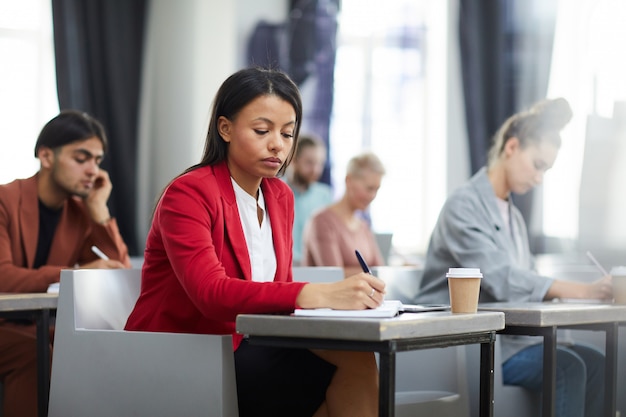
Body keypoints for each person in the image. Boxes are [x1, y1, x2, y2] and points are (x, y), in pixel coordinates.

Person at [124, 67, 384, 417]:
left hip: (248, 343)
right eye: (262, 130)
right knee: (340, 370)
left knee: (355, 357)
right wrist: (320, 294)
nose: (277, 143)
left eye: (288, 134)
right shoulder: (188, 193)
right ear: (225, 129)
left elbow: (278, 292)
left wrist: (338, 304)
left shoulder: (280, 196)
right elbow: (211, 293)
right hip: (187, 349)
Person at [416, 98, 613, 417]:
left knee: (596, 362)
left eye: (546, 170)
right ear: (512, 147)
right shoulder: (463, 205)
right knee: (567, 366)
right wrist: (584, 291)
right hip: (460, 346)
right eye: (538, 165)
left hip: (508, 341)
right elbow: (501, 276)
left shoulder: (514, 219)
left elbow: (527, 286)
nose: (539, 179)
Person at [0, 110, 131, 417]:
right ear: (46, 156)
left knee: (99, 348)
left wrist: (99, 210)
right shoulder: (5, 200)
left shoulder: (81, 212)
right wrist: (76, 274)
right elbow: (2, 277)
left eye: (97, 160)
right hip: (9, 326)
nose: (92, 170)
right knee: (34, 353)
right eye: (81, 158)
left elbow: (118, 273)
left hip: (37, 325)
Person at [301, 151, 385, 277]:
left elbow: (380, 270)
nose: (372, 196)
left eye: (376, 190)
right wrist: (371, 274)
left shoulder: (363, 226)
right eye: (369, 188)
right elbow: (334, 276)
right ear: (349, 180)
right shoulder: (321, 222)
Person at [285, 134, 333, 265]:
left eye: (319, 164)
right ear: (293, 160)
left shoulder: (324, 195)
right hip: (284, 264)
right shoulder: (275, 191)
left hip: (315, 266)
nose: (315, 170)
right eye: (309, 163)